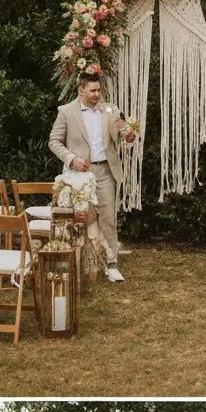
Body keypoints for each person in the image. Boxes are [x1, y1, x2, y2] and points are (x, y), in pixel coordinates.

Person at [48, 73, 136, 283]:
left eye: (99, 90)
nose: (97, 94)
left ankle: (111, 264)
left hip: (106, 171)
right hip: (79, 175)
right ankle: (76, 261)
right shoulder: (66, 112)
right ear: (81, 90)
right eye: (93, 90)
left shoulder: (110, 110)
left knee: (108, 218)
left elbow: (123, 132)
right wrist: (72, 159)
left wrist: (129, 135)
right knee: (79, 217)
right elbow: (54, 141)